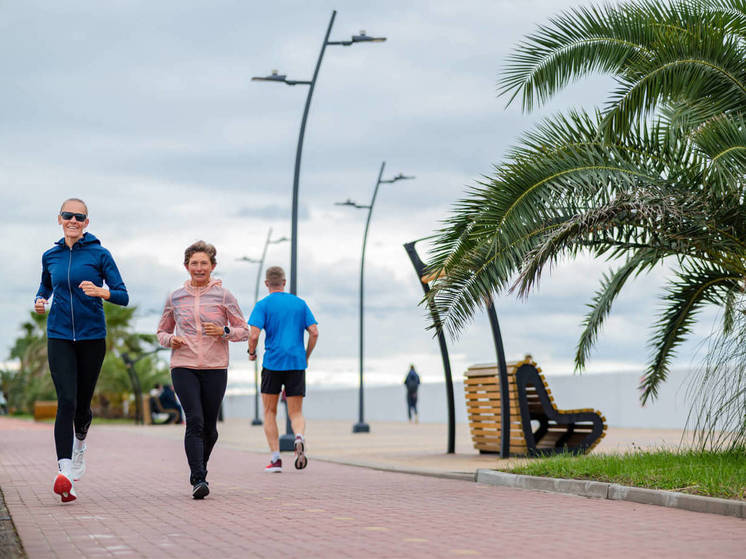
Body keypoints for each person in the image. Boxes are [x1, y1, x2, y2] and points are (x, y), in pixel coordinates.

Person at [34, 198, 129, 503]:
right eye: (67, 216)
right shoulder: (50, 255)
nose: (73, 220)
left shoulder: (100, 254)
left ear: (87, 222)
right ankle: (64, 473)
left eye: (79, 217)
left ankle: (81, 441)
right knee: (66, 399)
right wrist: (40, 300)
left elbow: (123, 295)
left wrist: (103, 292)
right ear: (59, 219)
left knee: (82, 406)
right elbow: (46, 286)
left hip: (91, 337)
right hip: (59, 335)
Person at [157, 241, 248, 499]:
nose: (199, 268)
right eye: (194, 263)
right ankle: (198, 478)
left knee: (210, 428)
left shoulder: (224, 296)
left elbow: (245, 331)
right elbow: (161, 331)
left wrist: (224, 331)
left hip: (215, 366)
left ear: (213, 266)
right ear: (187, 266)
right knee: (194, 421)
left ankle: (200, 467)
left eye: (203, 264)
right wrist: (169, 340)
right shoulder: (175, 297)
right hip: (183, 365)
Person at [248, 266, 318, 473]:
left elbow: (253, 335)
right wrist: (305, 356)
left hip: (273, 363)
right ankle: (299, 437)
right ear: (284, 282)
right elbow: (314, 332)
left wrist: (252, 352)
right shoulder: (300, 304)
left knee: (270, 411)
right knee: (295, 412)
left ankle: (276, 459)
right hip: (296, 362)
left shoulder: (262, 305)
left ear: (267, 283)